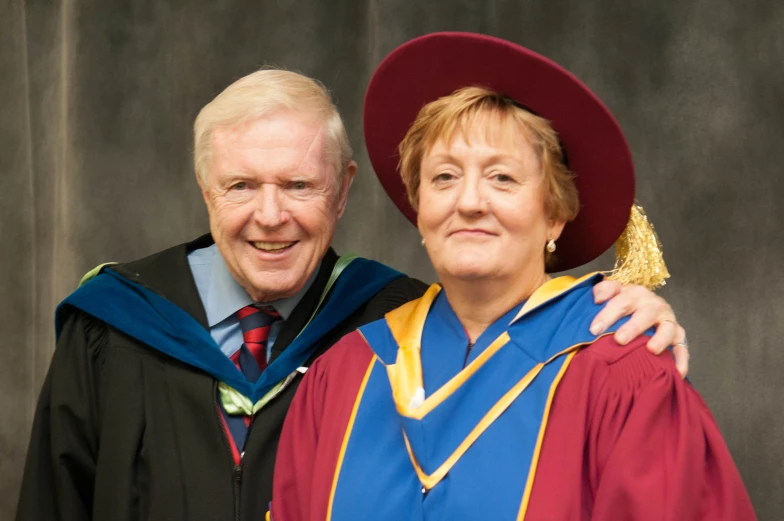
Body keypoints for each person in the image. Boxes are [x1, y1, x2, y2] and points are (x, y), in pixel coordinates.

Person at [16, 68, 688, 521]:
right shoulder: (112, 327)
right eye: (241, 185)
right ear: (205, 190)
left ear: (344, 191)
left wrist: (623, 313)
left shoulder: (384, 325)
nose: (271, 215)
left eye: (299, 186)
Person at [270, 33, 755, 520]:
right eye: (444, 177)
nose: (470, 202)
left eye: (502, 177)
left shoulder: (621, 376)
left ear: (554, 215)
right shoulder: (343, 377)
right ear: (419, 210)